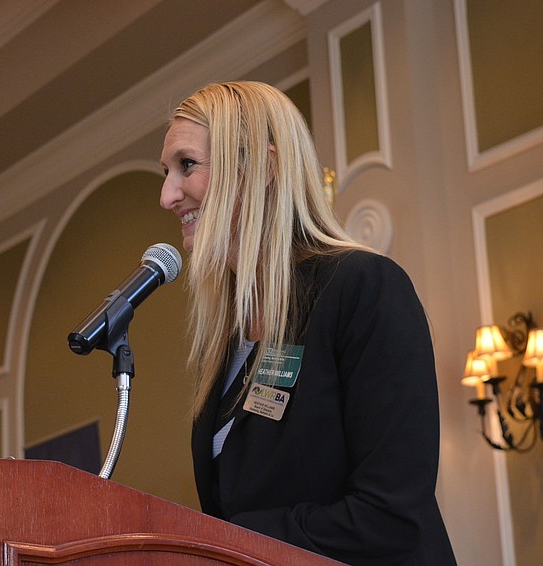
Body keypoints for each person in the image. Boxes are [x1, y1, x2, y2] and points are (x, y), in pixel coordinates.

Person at [159, 81, 456, 565]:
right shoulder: (228, 340)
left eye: (186, 165)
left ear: (265, 166)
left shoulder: (363, 289)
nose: (167, 194)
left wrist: (224, 543)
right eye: (166, 171)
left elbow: (390, 516)